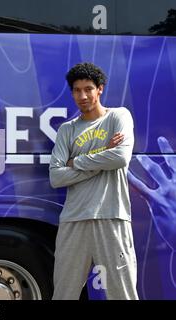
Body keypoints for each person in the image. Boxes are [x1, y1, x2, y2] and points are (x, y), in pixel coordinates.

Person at [49, 62, 139, 300]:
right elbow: (56, 177)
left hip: (111, 216)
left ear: (100, 89)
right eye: (77, 90)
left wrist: (75, 162)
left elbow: (119, 157)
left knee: (123, 294)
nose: (83, 96)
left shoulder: (119, 116)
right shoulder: (67, 130)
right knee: (63, 294)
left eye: (88, 89)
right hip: (73, 220)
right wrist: (100, 158)